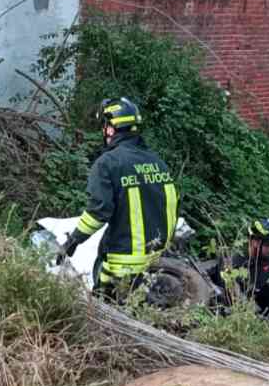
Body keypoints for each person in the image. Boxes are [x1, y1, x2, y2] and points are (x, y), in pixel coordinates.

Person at [56, 97, 179, 302]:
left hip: (123, 266)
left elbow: (98, 212)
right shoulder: (158, 163)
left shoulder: (108, 163)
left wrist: (73, 240)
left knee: (106, 316)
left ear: (111, 128)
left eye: (105, 126)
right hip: (157, 262)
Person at [206, 218, 269, 327]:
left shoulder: (267, 262)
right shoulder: (234, 259)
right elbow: (230, 293)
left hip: (251, 305)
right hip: (229, 308)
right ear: (254, 242)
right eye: (268, 245)